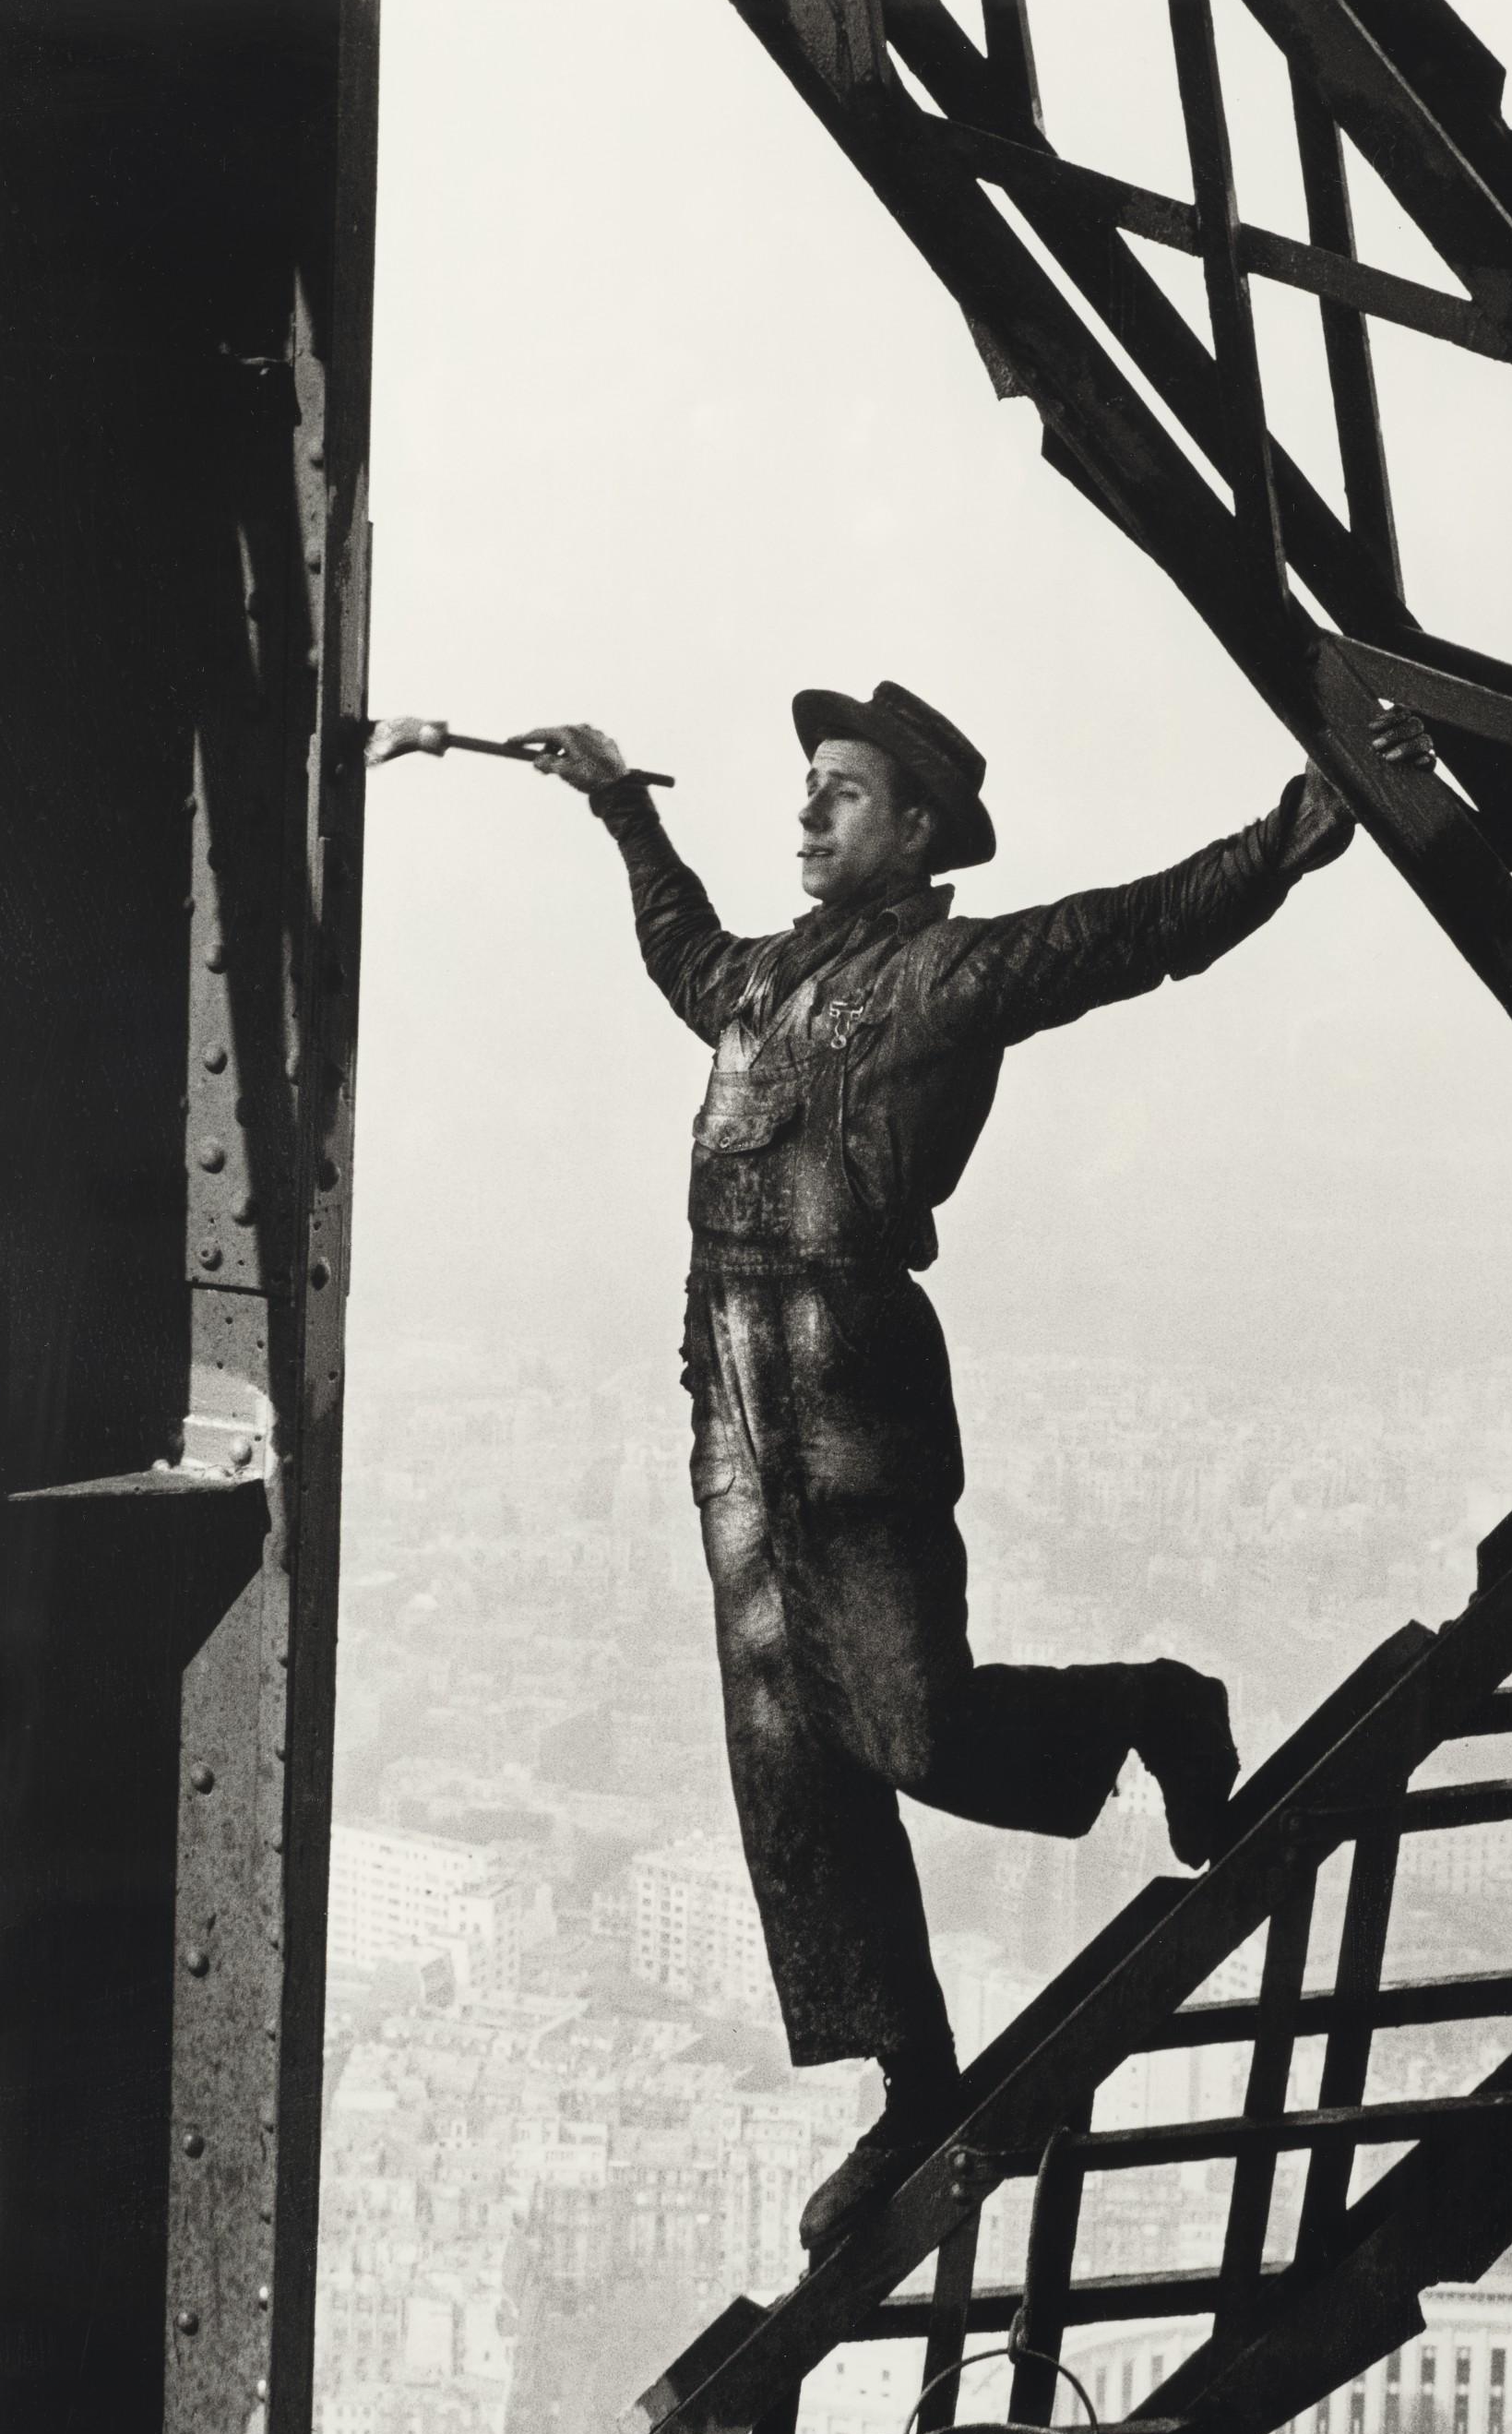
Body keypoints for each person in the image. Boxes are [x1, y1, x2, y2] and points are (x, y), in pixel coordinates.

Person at [370, 682, 1432, 2250]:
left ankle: (1151, 1709)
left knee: (913, 1730)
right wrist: (615, 801)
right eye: (806, 786)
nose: (807, 814)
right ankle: (910, 2082)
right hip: (732, 1410)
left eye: (843, 793)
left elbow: (1140, 929)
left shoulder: (956, 971)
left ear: (918, 830)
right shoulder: (761, 983)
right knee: (790, 1766)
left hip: (851, 1395)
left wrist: (1299, 826)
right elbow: (679, 944)